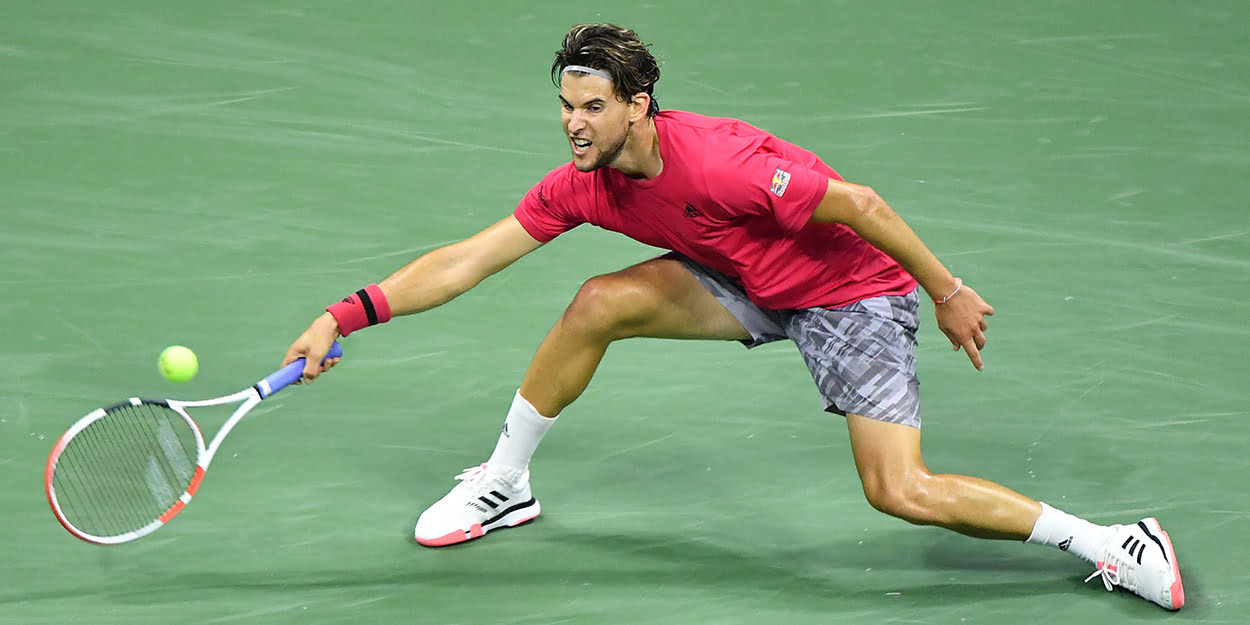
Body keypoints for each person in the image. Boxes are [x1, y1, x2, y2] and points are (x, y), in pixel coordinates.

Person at [282, 23, 1184, 610]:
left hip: (848, 295)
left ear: (639, 105)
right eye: (565, 105)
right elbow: (464, 261)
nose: (572, 124)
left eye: (591, 107)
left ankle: (1110, 541)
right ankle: (506, 483)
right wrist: (343, 314)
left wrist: (946, 291)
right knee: (597, 303)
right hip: (744, 276)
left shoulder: (720, 165)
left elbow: (862, 205)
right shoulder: (585, 185)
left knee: (898, 490)